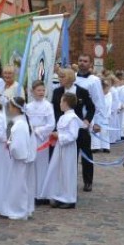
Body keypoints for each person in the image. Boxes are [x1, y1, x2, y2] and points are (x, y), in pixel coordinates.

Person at [41, 92, 83, 209]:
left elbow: (73, 135)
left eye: (61, 101)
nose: (59, 104)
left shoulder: (72, 118)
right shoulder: (63, 117)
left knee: (67, 171)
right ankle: (59, 195)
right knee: (58, 171)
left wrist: (59, 136)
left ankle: (69, 198)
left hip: (68, 148)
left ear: (65, 103)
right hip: (60, 148)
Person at [0, 96, 36, 220]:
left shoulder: (20, 124)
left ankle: (18, 209)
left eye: (10, 106)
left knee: (18, 185)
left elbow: (18, 146)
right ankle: (23, 208)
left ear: (15, 108)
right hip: (23, 158)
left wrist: (10, 147)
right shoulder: (22, 121)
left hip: (19, 159)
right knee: (21, 184)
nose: (9, 108)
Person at [75, 55, 104, 192]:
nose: (82, 63)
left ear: (90, 64)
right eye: (80, 60)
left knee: (86, 152)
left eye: (85, 61)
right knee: (71, 153)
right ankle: (70, 179)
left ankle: (88, 181)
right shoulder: (72, 77)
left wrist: (97, 122)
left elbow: (98, 102)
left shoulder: (94, 81)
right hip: (71, 120)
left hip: (86, 119)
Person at [26, 80, 55, 204]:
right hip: (31, 137)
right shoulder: (28, 106)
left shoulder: (47, 106)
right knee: (31, 164)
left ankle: (42, 194)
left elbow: (51, 124)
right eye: (38, 90)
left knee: (42, 165)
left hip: (42, 138)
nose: (41, 92)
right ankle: (31, 193)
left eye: (43, 90)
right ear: (33, 92)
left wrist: (38, 130)